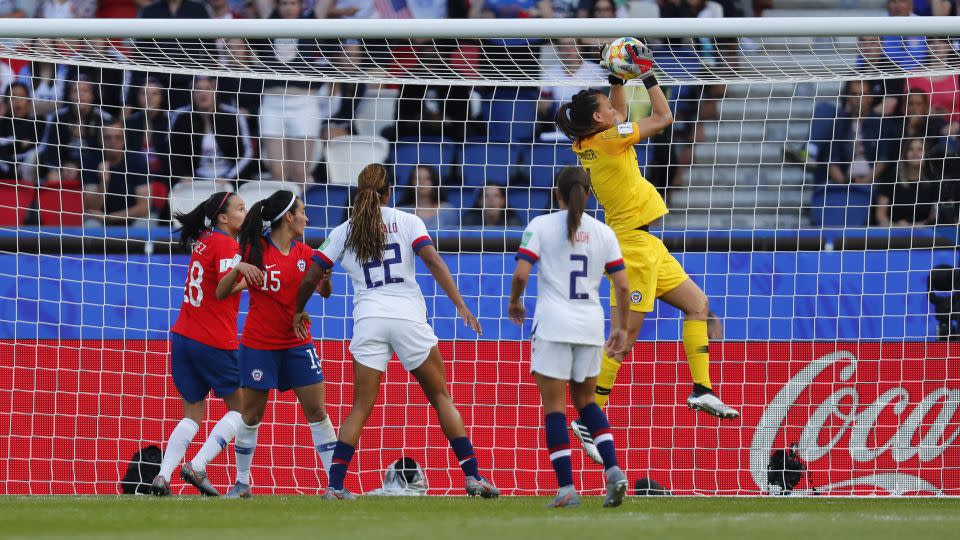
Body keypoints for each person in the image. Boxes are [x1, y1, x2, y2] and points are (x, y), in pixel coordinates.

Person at [553, 41, 738, 463]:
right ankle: (587, 415)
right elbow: (664, 116)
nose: (617, 106)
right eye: (608, 104)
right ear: (600, 119)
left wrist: (617, 73)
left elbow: (616, 103)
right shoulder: (611, 140)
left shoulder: (595, 139)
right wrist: (648, 73)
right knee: (623, 338)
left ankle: (702, 390)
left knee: (698, 305)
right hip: (632, 246)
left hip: (648, 243)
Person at [293, 163, 499, 500]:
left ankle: (334, 485)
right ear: (389, 191)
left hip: (369, 319)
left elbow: (312, 274)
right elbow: (432, 260)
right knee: (440, 397)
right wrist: (460, 305)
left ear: (360, 191)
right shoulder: (407, 220)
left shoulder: (344, 230)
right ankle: (473, 477)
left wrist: (299, 309)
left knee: (360, 407)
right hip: (407, 317)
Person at [507, 167, 631, 508]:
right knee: (588, 403)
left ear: (558, 194)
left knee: (555, 409)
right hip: (590, 326)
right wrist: (620, 327)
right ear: (588, 194)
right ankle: (614, 470)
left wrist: (515, 301)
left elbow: (521, 273)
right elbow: (622, 285)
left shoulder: (540, 226)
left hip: (553, 325)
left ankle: (566, 489)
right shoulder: (604, 232)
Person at [151, 191, 264, 496]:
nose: (246, 210)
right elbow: (224, 289)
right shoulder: (227, 244)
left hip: (183, 337)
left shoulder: (204, 239)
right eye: (241, 208)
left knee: (192, 415)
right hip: (214, 338)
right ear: (223, 218)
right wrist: (254, 276)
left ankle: (163, 476)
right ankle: (198, 466)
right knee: (243, 411)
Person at [230, 189, 338, 498]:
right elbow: (233, 286)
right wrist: (237, 275)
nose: (306, 217)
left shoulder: (306, 253)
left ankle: (335, 484)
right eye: (302, 211)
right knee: (251, 415)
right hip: (259, 344)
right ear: (288, 217)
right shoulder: (255, 250)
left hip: (297, 343)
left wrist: (326, 279)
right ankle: (242, 483)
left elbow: (325, 292)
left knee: (318, 411)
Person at [168, 76, 254, 187]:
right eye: (198, 89)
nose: (203, 94)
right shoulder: (181, 116)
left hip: (228, 178)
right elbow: (172, 152)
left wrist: (229, 177)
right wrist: (182, 175)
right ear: (192, 93)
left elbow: (247, 153)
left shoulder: (233, 116)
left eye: (208, 88)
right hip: (195, 179)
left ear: (215, 92)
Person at [80, 122, 150, 225]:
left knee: (144, 224)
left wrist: (110, 218)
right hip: (100, 220)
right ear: (101, 140)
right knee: (90, 225)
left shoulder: (137, 161)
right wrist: (104, 182)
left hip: (131, 219)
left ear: (124, 140)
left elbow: (144, 208)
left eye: (118, 137)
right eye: (108, 138)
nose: (113, 142)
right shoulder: (90, 162)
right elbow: (93, 207)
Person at [873, 138, 939, 227]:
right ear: (905, 154)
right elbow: (880, 215)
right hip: (892, 234)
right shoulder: (891, 178)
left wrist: (915, 227)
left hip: (923, 234)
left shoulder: (934, 181)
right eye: (910, 149)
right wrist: (895, 226)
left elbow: (933, 217)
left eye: (920, 149)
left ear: (926, 154)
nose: (915, 153)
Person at [396, 165, 459, 230]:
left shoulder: (448, 211)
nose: (422, 182)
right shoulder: (401, 212)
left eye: (427, 178)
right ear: (411, 183)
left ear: (434, 182)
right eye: (417, 178)